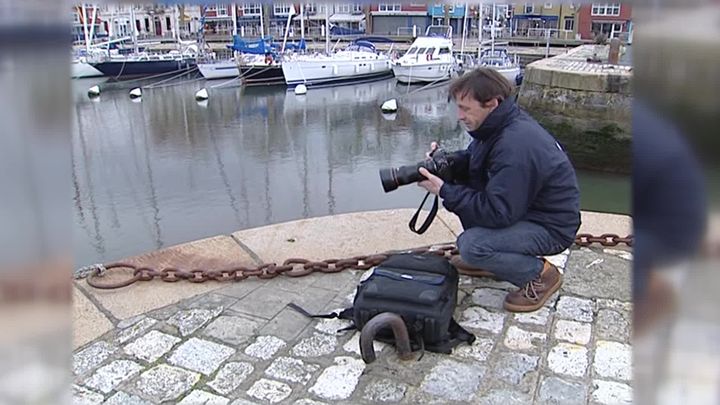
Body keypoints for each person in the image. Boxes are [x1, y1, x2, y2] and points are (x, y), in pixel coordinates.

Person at [417, 68, 581, 312]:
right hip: (528, 211)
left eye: (465, 108)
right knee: (472, 242)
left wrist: (444, 191)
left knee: (472, 245)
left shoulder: (515, 145)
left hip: (551, 227)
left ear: (492, 103)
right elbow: (476, 161)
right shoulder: (498, 127)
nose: (459, 116)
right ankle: (494, 262)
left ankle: (541, 275)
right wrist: (446, 163)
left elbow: (497, 212)